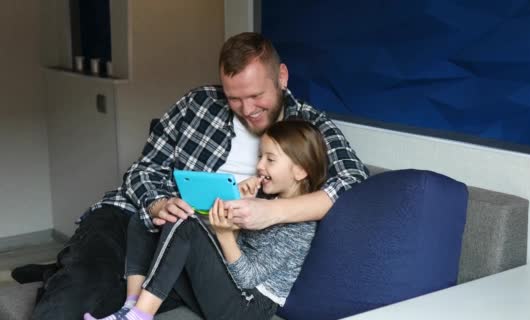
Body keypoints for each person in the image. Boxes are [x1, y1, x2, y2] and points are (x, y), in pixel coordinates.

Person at [28, 32, 368, 319]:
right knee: (77, 288)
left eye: (256, 96)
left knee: (102, 296)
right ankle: (67, 270)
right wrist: (159, 203)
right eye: (234, 99)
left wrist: (271, 211)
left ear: (281, 77)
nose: (247, 110)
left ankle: (59, 271)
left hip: (202, 247)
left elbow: (354, 183)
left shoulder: (308, 128)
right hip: (137, 215)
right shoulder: (198, 103)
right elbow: (143, 170)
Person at [84, 120, 328, 320]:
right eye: (260, 157)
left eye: (270, 159)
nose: (259, 165)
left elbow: (248, 278)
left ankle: (139, 316)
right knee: (148, 218)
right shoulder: (263, 201)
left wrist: (223, 233)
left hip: (249, 308)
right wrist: (234, 211)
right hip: (227, 288)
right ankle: (133, 304)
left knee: (186, 226)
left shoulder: (300, 226)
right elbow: (235, 251)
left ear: (300, 170)